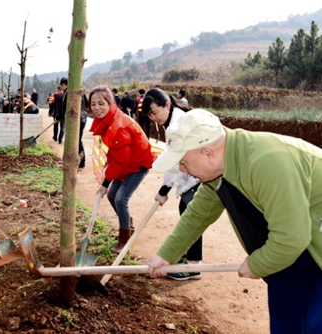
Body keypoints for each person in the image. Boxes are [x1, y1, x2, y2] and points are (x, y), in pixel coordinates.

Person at [147, 108, 322, 333]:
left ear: (208, 153)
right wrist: (167, 254)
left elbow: (291, 238)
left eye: (184, 162)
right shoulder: (220, 170)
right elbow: (199, 214)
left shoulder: (267, 162)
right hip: (293, 255)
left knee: (313, 324)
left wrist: (258, 264)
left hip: (307, 243)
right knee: (287, 321)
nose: (183, 170)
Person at [142, 87, 202, 280]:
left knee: (190, 215)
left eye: (155, 112)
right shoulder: (174, 121)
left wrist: (164, 190)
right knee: (187, 212)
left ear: (166, 105)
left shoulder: (177, 126)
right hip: (192, 175)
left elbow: (174, 164)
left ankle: (193, 266)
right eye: (150, 115)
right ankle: (189, 258)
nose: (153, 118)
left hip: (200, 175)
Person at [89, 85, 154, 253]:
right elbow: (116, 154)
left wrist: (105, 183)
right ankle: (127, 225)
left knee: (120, 199)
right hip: (125, 162)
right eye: (93, 104)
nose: (97, 108)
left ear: (110, 103)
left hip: (137, 164)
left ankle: (124, 239)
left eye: (101, 103)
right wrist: (107, 184)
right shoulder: (107, 119)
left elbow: (121, 161)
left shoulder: (119, 126)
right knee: (112, 195)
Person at [55, 77, 68, 144]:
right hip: (63, 115)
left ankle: (60, 139)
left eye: (61, 85)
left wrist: (58, 117)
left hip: (68, 116)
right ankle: (60, 140)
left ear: (63, 84)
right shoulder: (65, 93)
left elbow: (64, 108)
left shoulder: (67, 94)